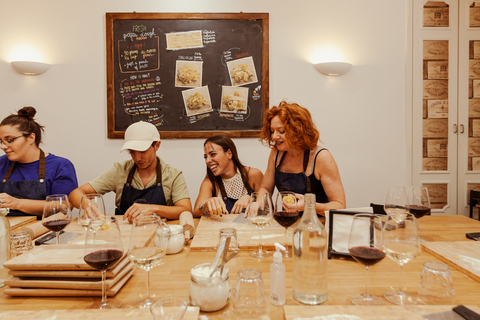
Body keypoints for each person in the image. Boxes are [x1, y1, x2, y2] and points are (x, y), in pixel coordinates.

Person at [69, 121, 192, 222]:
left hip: (160, 236)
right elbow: (75, 194)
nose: (137, 158)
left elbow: (185, 210)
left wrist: (153, 209)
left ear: (157, 145)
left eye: (142, 151)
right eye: (132, 152)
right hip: (125, 235)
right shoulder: (120, 171)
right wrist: (87, 205)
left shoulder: (173, 175)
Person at [258, 101, 346, 215]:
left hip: (318, 224)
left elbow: (339, 206)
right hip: (289, 221)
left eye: (281, 131)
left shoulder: (321, 157)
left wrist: (308, 205)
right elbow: (265, 189)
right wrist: (259, 202)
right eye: (272, 131)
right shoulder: (276, 153)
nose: (274, 136)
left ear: (298, 130)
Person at [0, 107, 78, 218]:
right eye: (1, 141)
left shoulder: (60, 166)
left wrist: (16, 203)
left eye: (10, 140)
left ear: (31, 138)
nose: (2, 146)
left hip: (45, 230)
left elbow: (64, 206)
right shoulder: (1, 163)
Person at [194, 135, 263, 217]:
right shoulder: (209, 182)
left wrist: (251, 199)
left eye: (213, 154)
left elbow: (267, 208)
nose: (207, 161)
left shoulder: (253, 175)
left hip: (250, 228)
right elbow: (195, 213)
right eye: (205, 157)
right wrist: (206, 205)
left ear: (229, 154)